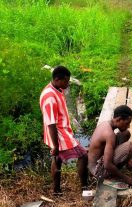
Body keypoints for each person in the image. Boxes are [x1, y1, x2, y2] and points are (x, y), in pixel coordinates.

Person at [40, 66, 88, 195]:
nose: (67, 84)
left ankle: (56, 191)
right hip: (59, 134)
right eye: (66, 81)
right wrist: (55, 146)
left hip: (61, 131)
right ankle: (84, 188)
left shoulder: (55, 88)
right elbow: (51, 124)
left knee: (57, 160)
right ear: (57, 79)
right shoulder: (49, 97)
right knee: (83, 156)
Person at [88, 105, 132, 187]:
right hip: (97, 171)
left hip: (98, 161)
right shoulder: (109, 134)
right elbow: (107, 164)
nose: (128, 126)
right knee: (129, 147)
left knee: (126, 133)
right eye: (126, 123)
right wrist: (125, 178)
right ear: (118, 119)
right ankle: (111, 175)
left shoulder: (106, 124)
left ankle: (124, 163)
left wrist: (127, 160)